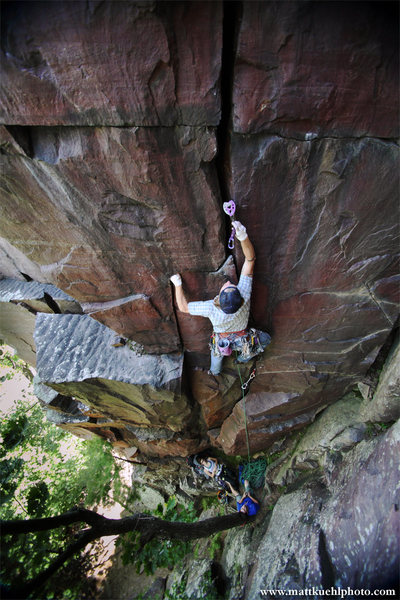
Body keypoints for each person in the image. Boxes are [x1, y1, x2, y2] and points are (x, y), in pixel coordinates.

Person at [170, 220, 271, 375]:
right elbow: (250, 259)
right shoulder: (243, 295)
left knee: (216, 356)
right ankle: (243, 358)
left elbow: (183, 307)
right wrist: (242, 235)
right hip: (242, 338)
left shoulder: (211, 307)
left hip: (222, 340)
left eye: (227, 286)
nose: (229, 282)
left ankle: (215, 372)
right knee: (265, 339)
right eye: (231, 285)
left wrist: (177, 284)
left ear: (219, 297)